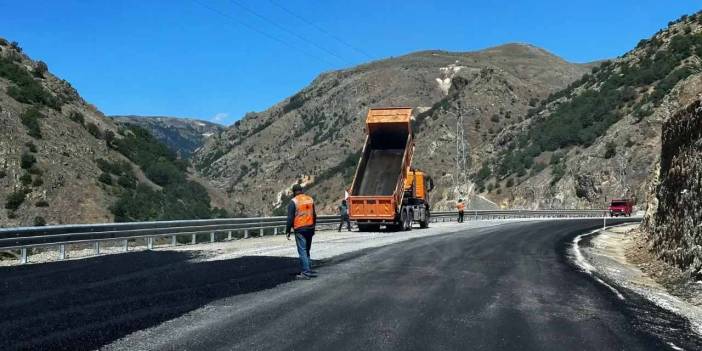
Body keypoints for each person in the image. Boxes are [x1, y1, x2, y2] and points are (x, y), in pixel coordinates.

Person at [286, 184, 317, 279]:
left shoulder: (294, 201)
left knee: (302, 250)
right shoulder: (310, 199)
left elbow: (290, 218)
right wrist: (313, 226)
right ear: (301, 190)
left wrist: (287, 230)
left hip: (300, 228)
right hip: (310, 228)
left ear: (294, 192)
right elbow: (314, 215)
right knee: (307, 250)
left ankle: (306, 272)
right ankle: (308, 269)